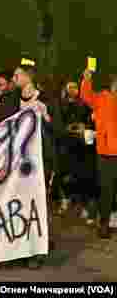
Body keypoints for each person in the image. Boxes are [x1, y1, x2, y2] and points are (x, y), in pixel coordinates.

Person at [14, 64, 55, 267]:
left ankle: (37, 252)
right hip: (20, 161)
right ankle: (22, 247)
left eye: (17, 74)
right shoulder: (14, 100)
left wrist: (46, 116)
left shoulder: (45, 99)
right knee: (21, 203)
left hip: (41, 159)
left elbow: (58, 127)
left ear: (27, 77)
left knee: (38, 202)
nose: (14, 78)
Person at [81, 69, 117, 239]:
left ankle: (108, 220)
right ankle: (104, 223)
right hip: (106, 152)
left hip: (109, 150)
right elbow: (86, 97)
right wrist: (87, 79)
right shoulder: (102, 97)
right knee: (106, 189)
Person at [60, 80, 97, 225]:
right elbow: (59, 122)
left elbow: (90, 120)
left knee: (83, 175)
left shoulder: (84, 103)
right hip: (67, 145)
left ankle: (85, 207)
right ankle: (66, 201)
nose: (73, 90)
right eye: (70, 87)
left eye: (75, 87)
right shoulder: (62, 104)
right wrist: (67, 128)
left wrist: (84, 126)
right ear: (65, 89)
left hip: (83, 145)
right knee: (67, 174)